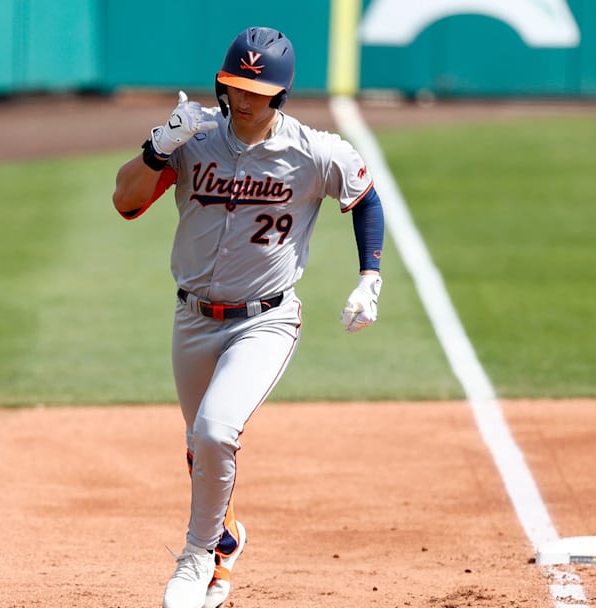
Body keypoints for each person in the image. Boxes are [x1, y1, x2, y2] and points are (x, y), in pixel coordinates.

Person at [112, 27, 385, 608]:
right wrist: (158, 147)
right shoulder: (194, 137)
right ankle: (227, 537)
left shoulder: (314, 151)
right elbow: (126, 202)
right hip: (192, 317)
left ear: (280, 95)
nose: (242, 99)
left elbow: (364, 197)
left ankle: (198, 560)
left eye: (256, 91)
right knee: (198, 444)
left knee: (215, 430)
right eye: (234, 86)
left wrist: (370, 276)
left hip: (265, 320)